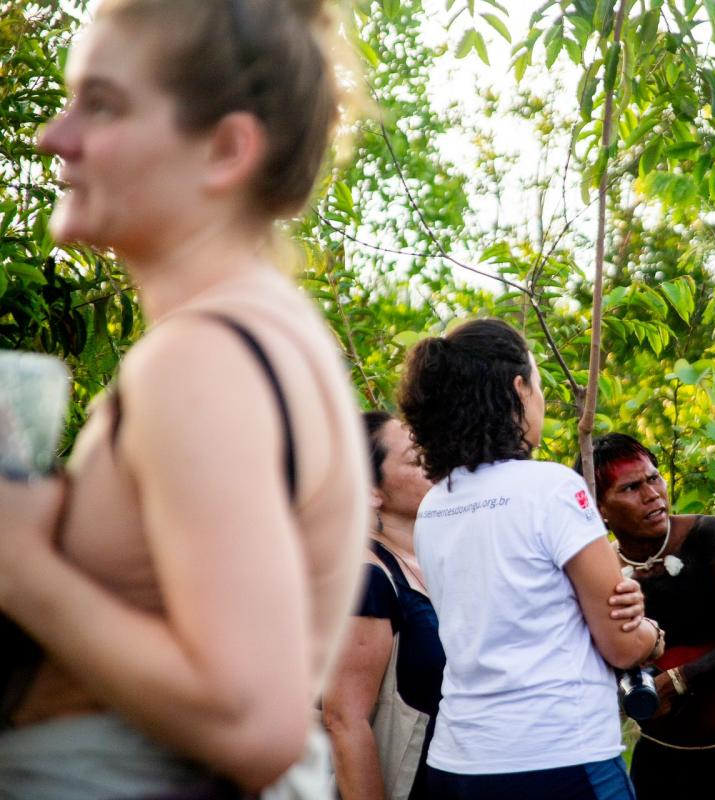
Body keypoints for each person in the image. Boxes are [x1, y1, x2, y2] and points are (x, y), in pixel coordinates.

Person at [0, 0, 367, 796]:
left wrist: (22, 566)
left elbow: (254, 721)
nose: (52, 137)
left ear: (225, 149)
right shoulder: (263, 331)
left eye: (99, 105)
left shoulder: (202, 359)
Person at [398, 318, 662, 800]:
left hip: (457, 762)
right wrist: (653, 635)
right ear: (518, 389)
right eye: (539, 385)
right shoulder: (550, 487)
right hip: (557, 756)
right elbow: (622, 645)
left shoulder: (434, 504)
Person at [578, 432, 715, 799]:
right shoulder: (601, 569)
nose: (652, 494)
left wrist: (678, 680)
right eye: (631, 488)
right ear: (600, 508)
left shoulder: (712, 537)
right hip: (663, 762)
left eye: (653, 478)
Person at [324, 412, 444, 800]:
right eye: (415, 458)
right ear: (372, 491)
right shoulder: (368, 580)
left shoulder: (441, 561)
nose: (434, 463)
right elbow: (345, 722)